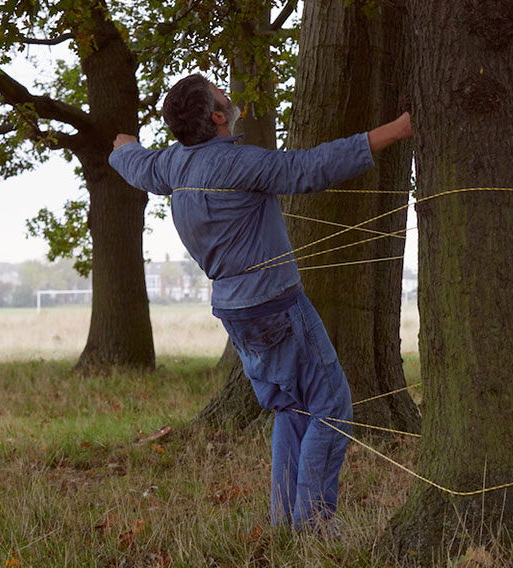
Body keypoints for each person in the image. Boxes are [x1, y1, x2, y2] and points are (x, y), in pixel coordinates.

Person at [108, 73, 412, 528]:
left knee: (293, 407)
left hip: (236, 311)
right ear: (216, 116)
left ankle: (286, 523)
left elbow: (134, 164)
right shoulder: (235, 164)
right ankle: (312, 525)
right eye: (220, 93)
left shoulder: (173, 166)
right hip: (275, 307)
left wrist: (122, 147)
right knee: (331, 407)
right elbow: (309, 168)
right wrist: (399, 129)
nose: (228, 96)